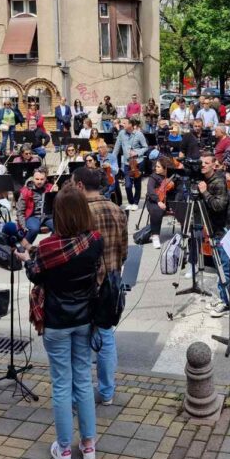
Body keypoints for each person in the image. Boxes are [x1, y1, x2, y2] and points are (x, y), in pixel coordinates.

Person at [25, 184, 101, 459]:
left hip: (56, 319)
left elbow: (36, 275)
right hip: (84, 318)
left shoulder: (47, 246)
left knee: (61, 384)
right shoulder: (94, 240)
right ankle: (89, 445)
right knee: (83, 379)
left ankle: (65, 450)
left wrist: (26, 261)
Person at [72, 167, 128, 406]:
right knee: (105, 336)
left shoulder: (81, 212)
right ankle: (106, 392)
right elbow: (124, 250)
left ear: (81, 186)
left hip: (87, 283)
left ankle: (82, 394)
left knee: (82, 339)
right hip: (112, 281)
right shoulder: (117, 210)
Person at [197, 153, 230, 317]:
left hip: (223, 230)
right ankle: (222, 297)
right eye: (202, 163)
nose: (203, 165)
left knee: (224, 267)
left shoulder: (219, 182)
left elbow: (219, 206)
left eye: (207, 163)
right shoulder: (206, 180)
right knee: (219, 264)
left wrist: (205, 193)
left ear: (214, 165)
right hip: (214, 229)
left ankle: (226, 303)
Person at [113, 118, 147, 209]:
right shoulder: (121, 133)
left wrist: (137, 152)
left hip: (138, 162)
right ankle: (131, 202)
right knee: (127, 185)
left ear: (131, 124)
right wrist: (112, 159)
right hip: (127, 163)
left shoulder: (139, 134)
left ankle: (135, 203)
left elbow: (145, 147)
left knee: (137, 183)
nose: (122, 124)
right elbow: (116, 148)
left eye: (124, 123)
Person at [18, 167, 58, 245]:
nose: (39, 181)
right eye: (37, 179)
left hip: (47, 216)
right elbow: (20, 211)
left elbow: (58, 206)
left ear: (46, 179)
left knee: (58, 228)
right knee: (34, 229)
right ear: (33, 179)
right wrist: (23, 226)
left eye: (42, 179)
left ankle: (49, 246)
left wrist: (55, 194)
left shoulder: (51, 188)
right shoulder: (26, 191)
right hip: (32, 216)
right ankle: (24, 247)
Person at [144, 157, 175, 248]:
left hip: (168, 200)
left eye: (158, 167)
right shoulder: (153, 177)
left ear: (165, 169)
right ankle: (155, 236)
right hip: (154, 201)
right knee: (156, 210)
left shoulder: (171, 176)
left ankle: (184, 231)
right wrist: (158, 201)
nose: (155, 168)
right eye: (156, 166)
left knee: (182, 206)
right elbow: (150, 191)